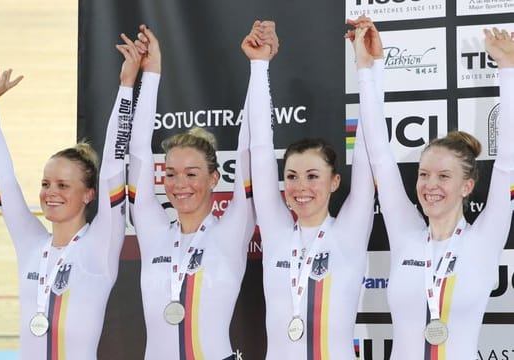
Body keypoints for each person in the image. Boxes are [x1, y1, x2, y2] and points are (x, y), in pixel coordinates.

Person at [349, 17, 514, 359]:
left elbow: (508, 163)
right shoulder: (406, 231)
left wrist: (508, 70)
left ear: (467, 185)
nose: (430, 185)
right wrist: (366, 69)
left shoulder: (484, 238)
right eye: (424, 174)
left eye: (443, 176)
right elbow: (379, 153)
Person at [0, 33, 141, 358]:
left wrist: (126, 87)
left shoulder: (99, 245)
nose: (50, 193)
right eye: (46, 183)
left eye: (63, 185)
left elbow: (112, 165)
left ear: (88, 194)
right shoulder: (31, 244)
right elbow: (3, 178)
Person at [244, 20, 375, 358]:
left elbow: (370, 150)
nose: (300, 187)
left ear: (335, 182)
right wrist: (259, 66)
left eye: (313, 176)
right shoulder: (276, 231)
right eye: (291, 176)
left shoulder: (349, 230)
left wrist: (367, 68)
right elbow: (259, 147)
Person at [128, 24, 255, 359]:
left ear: (214, 178)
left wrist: (258, 68)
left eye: (191, 173)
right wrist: (151, 74)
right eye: (170, 173)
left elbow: (249, 147)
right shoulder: (154, 231)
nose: (179, 184)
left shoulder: (231, 230)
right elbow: (138, 150)